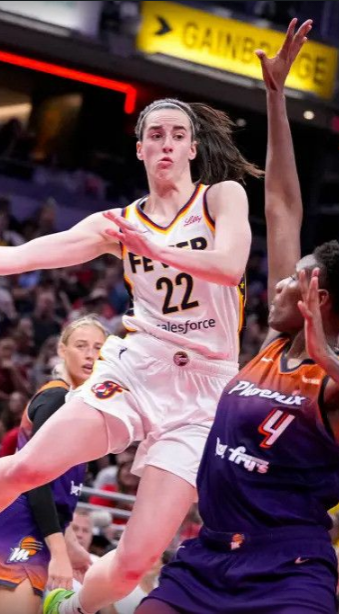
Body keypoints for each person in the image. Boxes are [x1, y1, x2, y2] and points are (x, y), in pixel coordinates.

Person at [0, 93, 261, 614]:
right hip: (139, 366)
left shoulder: (221, 198)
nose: (166, 144)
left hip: (206, 392)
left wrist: (153, 249)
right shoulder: (114, 224)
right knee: (30, 466)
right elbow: (20, 256)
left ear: (192, 148)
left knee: (137, 560)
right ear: (140, 149)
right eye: (156, 135)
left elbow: (230, 265)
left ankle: (71, 608)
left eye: (177, 135)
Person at [136, 18, 339, 614]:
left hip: (287, 571)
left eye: (293, 279)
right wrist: (275, 97)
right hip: (206, 558)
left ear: (319, 296)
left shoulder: (329, 377)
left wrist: (329, 357)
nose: (276, 283)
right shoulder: (277, 342)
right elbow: (280, 204)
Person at [0, 316, 107, 614]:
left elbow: (59, 494)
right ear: (62, 351)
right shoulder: (56, 398)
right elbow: (35, 481)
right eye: (81, 346)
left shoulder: (78, 404)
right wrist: (60, 553)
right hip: (22, 526)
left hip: (34, 527)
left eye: (98, 348)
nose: (90, 354)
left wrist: (71, 545)